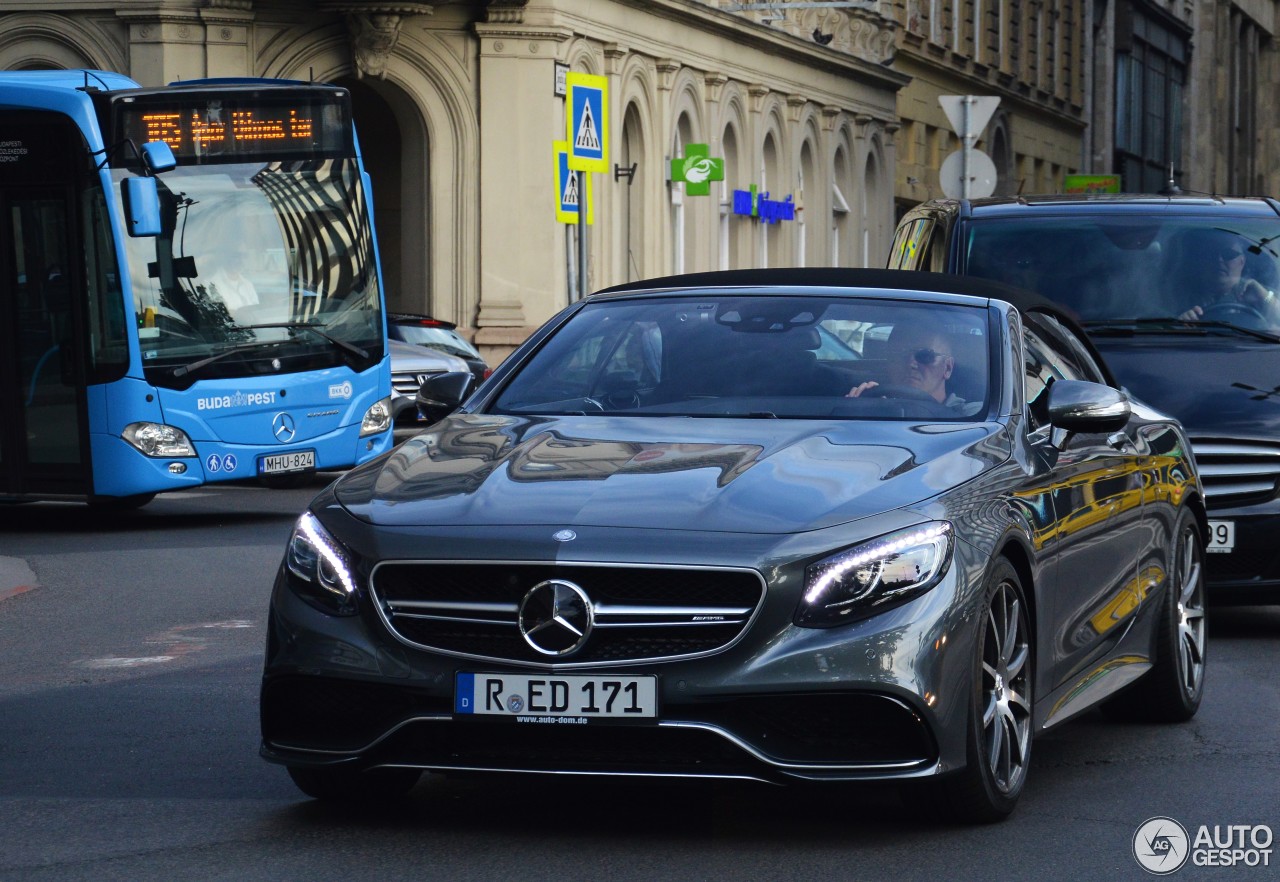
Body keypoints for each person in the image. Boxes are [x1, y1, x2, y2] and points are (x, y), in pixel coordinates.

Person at [846, 316, 971, 410]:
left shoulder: (972, 416)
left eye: (925, 355)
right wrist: (855, 410)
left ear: (947, 368)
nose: (911, 364)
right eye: (899, 354)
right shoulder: (876, 407)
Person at [1174, 229, 1279, 324]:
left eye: (1228, 254)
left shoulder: (1257, 293)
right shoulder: (1181, 294)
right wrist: (1181, 323)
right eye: (1212, 254)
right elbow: (1162, 326)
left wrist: (1263, 294)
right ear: (1203, 261)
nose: (1219, 260)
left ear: (1242, 262)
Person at [201, 247, 260, 317]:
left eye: (244, 256)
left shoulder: (247, 284)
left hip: (253, 327)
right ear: (226, 257)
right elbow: (219, 316)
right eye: (236, 256)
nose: (241, 260)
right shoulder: (210, 284)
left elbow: (257, 312)